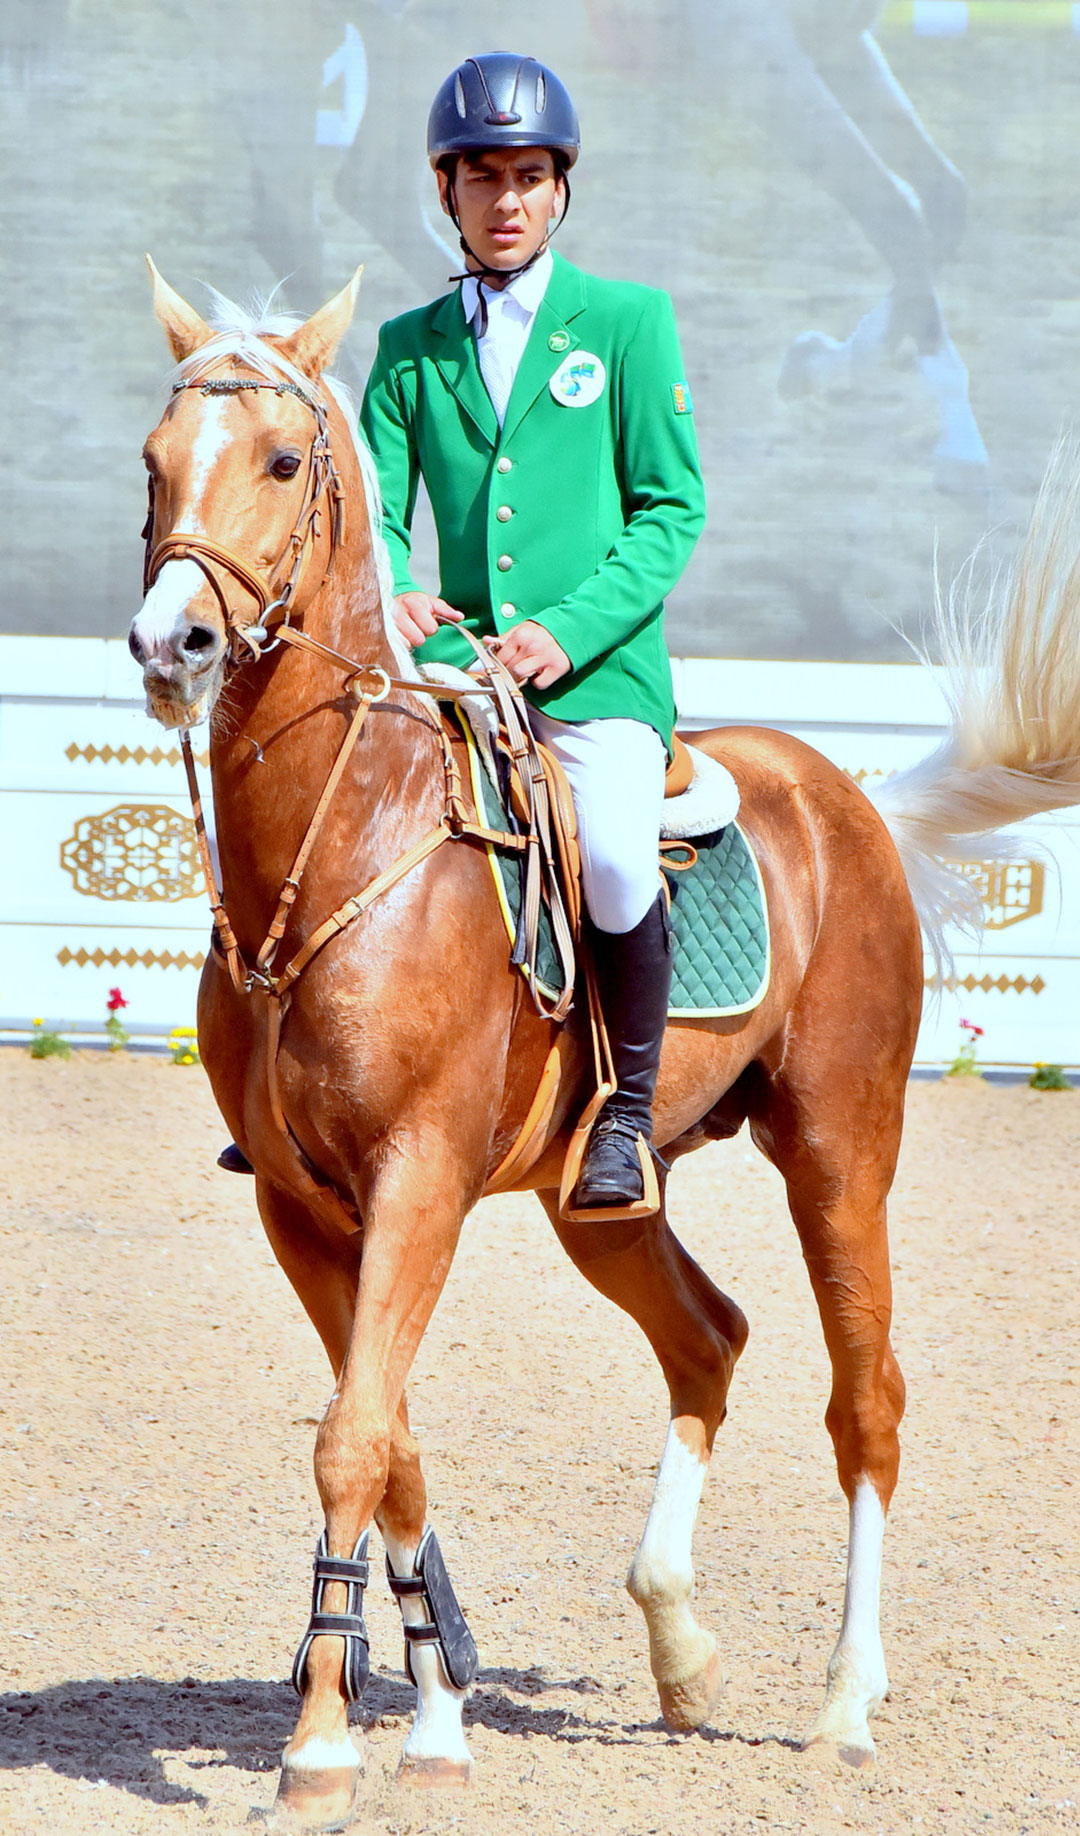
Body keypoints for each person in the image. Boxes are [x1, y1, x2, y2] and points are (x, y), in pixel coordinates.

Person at [357, 50, 705, 1208]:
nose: (506, 202)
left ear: (561, 190)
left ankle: (627, 1114)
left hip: (595, 676)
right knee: (342, 814)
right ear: (444, 190)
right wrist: (397, 585)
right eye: (482, 178)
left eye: (528, 177)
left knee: (610, 853)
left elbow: (671, 511)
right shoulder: (410, 346)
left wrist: (564, 631)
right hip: (453, 670)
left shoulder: (626, 323)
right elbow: (371, 508)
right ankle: (315, 1076)